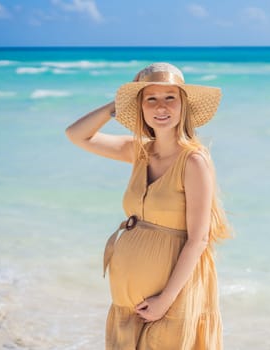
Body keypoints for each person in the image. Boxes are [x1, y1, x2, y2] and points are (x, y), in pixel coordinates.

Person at [65, 62, 231, 349]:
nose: (161, 107)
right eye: (150, 98)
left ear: (184, 106)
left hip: (172, 298)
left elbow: (198, 239)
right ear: (140, 107)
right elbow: (77, 134)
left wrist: (163, 301)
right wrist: (116, 104)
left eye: (170, 98)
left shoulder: (194, 161)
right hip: (129, 301)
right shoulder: (139, 152)